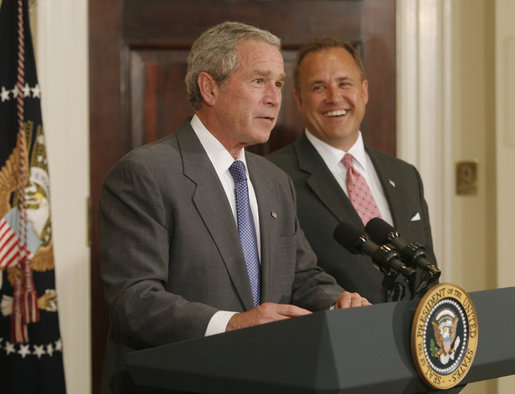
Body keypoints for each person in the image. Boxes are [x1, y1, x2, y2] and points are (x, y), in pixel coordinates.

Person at [99, 23, 370, 394]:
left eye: (278, 83)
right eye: (260, 80)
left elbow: (302, 276)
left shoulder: (274, 181)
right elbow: (135, 299)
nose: (275, 98)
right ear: (209, 88)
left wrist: (338, 302)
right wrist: (231, 324)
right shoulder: (146, 172)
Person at [268, 37, 437, 304]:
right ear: (299, 101)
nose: (334, 98)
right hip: (331, 338)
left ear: (364, 91)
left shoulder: (405, 175)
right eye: (319, 87)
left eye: (344, 83)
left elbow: (425, 273)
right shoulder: (273, 177)